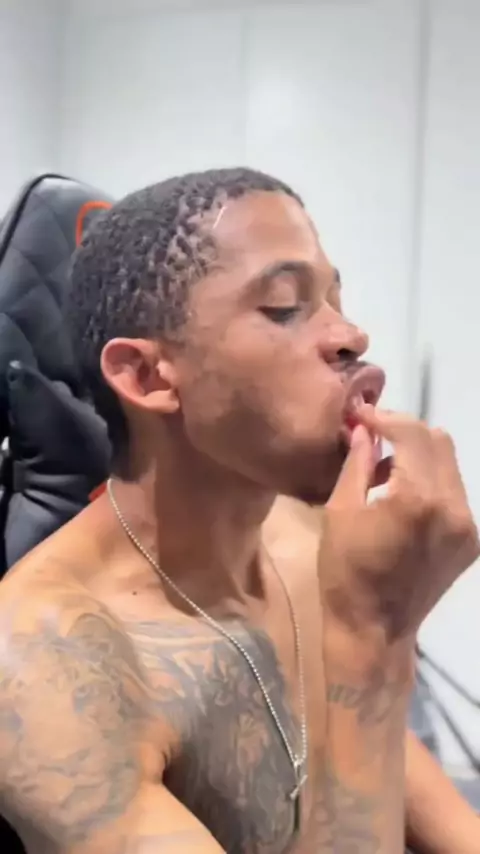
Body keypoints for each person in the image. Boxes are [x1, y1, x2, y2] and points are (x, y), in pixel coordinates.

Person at [0, 167, 478, 854]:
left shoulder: (311, 539)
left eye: (336, 299)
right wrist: (371, 642)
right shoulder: (46, 665)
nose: (351, 335)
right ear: (147, 375)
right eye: (284, 306)